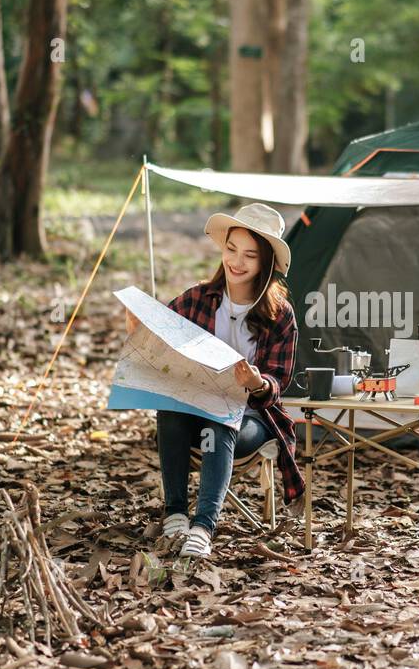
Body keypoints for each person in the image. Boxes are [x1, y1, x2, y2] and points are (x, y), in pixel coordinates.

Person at [124, 203, 304, 559]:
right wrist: (139, 330)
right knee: (170, 409)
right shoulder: (197, 298)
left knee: (221, 421)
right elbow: (159, 341)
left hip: (253, 417)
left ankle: (203, 527)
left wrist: (256, 382)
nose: (236, 261)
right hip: (194, 408)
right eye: (231, 249)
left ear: (266, 264)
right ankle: (175, 513)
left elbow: (277, 383)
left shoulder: (280, 315)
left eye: (250, 255)